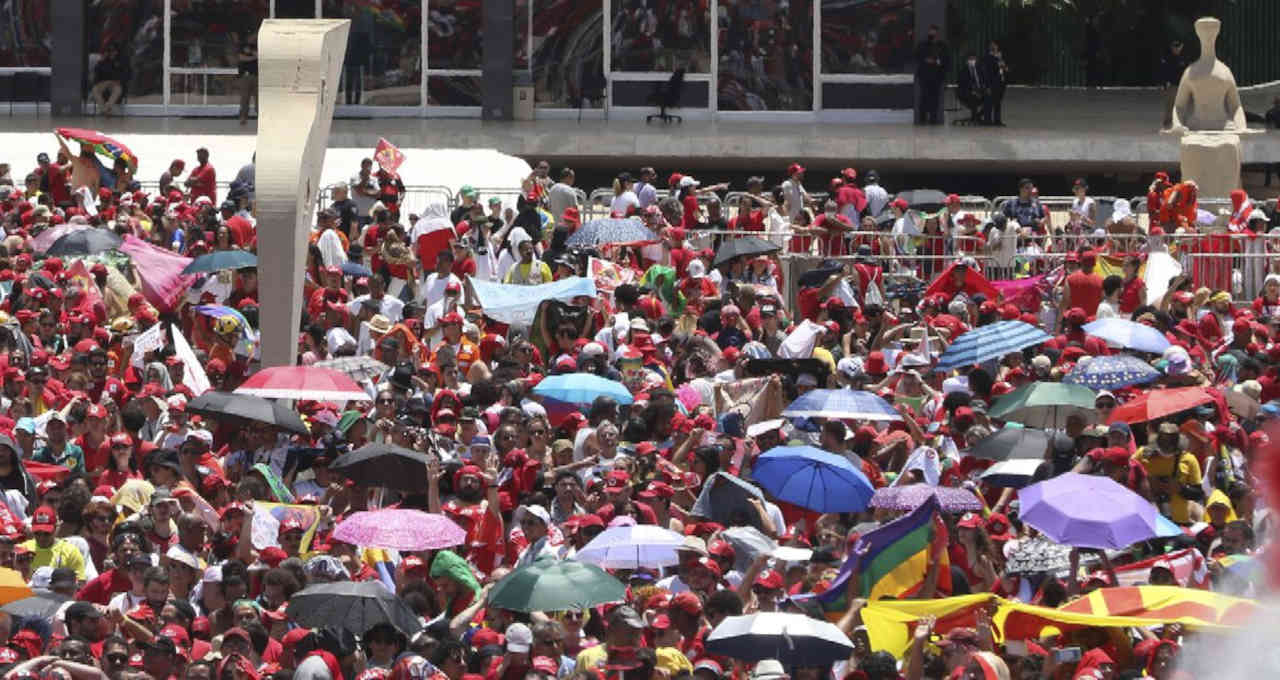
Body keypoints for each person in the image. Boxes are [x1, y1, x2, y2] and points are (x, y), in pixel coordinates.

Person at [913, 25, 948, 125]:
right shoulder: (923, 45)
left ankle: (933, 118)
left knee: (935, 98)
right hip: (925, 75)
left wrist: (938, 62)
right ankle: (922, 118)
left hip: (937, 75)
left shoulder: (942, 46)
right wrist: (926, 60)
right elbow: (917, 56)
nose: (932, 34)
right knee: (924, 96)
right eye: (931, 32)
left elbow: (946, 59)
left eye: (934, 32)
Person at [90, 45, 129, 116]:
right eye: (110, 52)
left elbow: (124, 74)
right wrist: (101, 62)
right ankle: (105, 110)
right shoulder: (103, 62)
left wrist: (118, 80)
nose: (112, 53)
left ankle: (106, 108)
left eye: (113, 51)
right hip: (104, 83)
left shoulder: (121, 61)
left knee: (117, 90)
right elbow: (97, 75)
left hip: (115, 83)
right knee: (95, 89)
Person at [1160, 39, 1188, 129]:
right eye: (1174, 47)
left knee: (1181, 104)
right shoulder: (1167, 57)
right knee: (1170, 105)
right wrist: (1165, 83)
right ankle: (1167, 123)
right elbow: (1164, 71)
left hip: (1181, 85)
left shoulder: (1184, 58)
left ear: (1181, 47)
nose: (1175, 49)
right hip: (1172, 85)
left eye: (1177, 47)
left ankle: (1180, 122)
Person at [980, 41, 1008, 126]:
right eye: (993, 46)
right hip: (991, 83)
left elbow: (1005, 69)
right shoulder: (987, 58)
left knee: (997, 102)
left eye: (996, 46)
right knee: (989, 102)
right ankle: (987, 120)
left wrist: (1000, 61)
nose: (995, 47)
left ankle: (997, 120)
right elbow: (987, 73)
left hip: (1000, 84)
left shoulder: (999, 58)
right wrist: (987, 86)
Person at [956, 53, 987, 124]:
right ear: (967, 61)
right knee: (973, 97)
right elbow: (962, 85)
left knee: (991, 98)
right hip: (967, 93)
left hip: (979, 91)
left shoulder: (980, 70)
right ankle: (974, 117)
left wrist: (983, 90)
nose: (972, 61)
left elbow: (984, 81)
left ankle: (978, 116)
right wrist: (973, 91)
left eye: (973, 59)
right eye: (970, 59)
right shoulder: (963, 71)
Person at [237, 33, 259, 125]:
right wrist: (254, 57)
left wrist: (252, 55)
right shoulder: (242, 46)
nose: (253, 38)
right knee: (245, 98)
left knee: (258, 98)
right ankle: (243, 117)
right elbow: (242, 58)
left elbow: (260, 56)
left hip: (257, 76)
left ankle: (260, 117)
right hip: (245, 76)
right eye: (252, 36)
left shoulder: (258, 46)